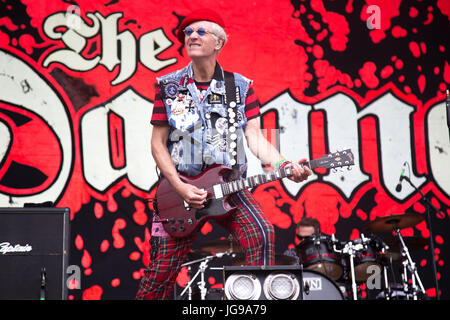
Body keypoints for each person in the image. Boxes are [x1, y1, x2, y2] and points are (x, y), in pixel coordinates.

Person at [136, 8, 312, 300]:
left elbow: (255, 137)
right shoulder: (167, 86)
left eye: (200, 31)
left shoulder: (240, 87)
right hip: (179, 191)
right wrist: (180, 187)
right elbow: (157, 144)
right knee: (160, 275)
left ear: (218, 43)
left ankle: (251, 302)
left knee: (261, 232)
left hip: (229, 185)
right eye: (188, 32)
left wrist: (284, 164)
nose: (191, 36)